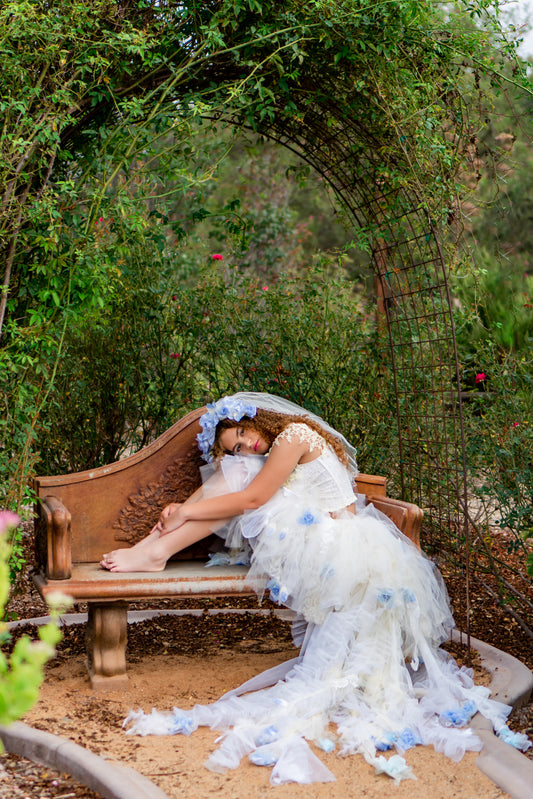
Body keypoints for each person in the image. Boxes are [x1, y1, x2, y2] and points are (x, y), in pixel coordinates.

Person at [101, 392, 529, 785]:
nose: (245, 446)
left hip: (329, 546)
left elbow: (252, 501)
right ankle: (152, 550)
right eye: (234, 446)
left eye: (243, 435)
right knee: (236, 475)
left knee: (236, 479)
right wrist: (180, 509)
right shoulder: (282, 443)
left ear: (257, 420)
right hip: (329, 540)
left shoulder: (294, 435)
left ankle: (152, 550)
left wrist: (179, 512)